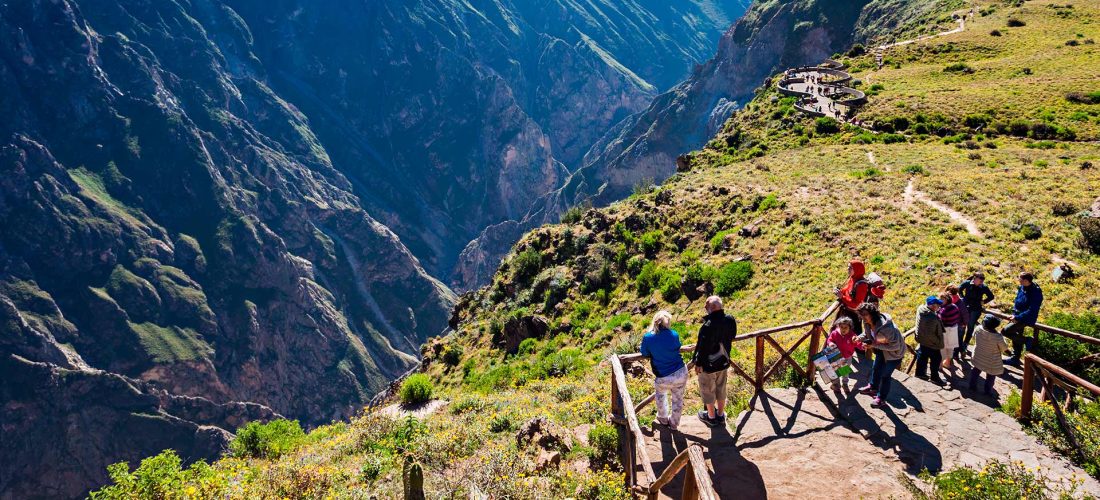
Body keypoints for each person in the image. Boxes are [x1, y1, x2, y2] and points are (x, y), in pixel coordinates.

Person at [692, 296, 737, 427]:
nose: (705, 309)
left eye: (706, 307)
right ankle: (721, 415)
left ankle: (711, 417)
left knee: (707, 390)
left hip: (708, 365)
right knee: (721, 388)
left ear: (710, 309)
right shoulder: (729, 320)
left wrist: (698, 363)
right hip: (723, 361)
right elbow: (732, 335)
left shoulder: (707, 326)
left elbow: (702, 347)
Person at [640, 310, 688, 431]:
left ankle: (663, 418)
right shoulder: (674, 334)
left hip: (663, 375)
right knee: (678, 399)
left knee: (660, 395)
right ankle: (674, 423)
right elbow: (677, 347)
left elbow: (644, 353)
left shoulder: (648, 337)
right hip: (680, 371)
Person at [856, 303, 906, 408]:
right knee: (876, 368)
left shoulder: (886, 328)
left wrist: (873, 345)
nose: (862, 317)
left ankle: (881, 399)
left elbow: (895, 347)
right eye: (861, 314)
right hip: (881, 350)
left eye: (865, 314)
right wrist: (859, 338)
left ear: (872, 314)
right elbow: (867, 333)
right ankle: (873, 388)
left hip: (894, 355)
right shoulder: (868, 322)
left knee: (885, 375)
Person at [1004, 272, 1043, 364]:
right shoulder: (1022, 287)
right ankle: (1015, 358)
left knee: (1005, 331)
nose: (1018, 280)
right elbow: (1018, 300)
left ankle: (1027, 340)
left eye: (1020, 279)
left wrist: (1018, 317)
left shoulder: (1035, 292)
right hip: (1017, 315)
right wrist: (1014, 313)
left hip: (1026, 318)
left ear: (1026, 281)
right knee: (1016, 336)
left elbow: (1032, 309)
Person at [970, 315, 1009, 395]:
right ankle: (987, 391)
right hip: (991, 361)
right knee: (991, 376)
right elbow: (1004, 348)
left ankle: (972, 386)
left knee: (975, 371)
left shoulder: (978, 329)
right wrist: (1010, 353)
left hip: (978, 356)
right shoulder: (998, 337)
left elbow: (973, 337)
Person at [959, 273, 995, 358]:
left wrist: (983, 302)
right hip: (965, 307)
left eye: (983, 279)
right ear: (975, 278)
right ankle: (960, 344)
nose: (982, 281)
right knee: (962, 325)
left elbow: (991, 296)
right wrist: (962, 297)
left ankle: (965, 343)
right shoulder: (967, 283)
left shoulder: (984, 287)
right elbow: (960, 289)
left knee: (970, 326)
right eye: (980, 279)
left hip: (976, 309)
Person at [826, 317, 865, 391]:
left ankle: (845, 384)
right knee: (835, 370)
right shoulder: (835, 333)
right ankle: (836, 384)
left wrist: (862, 347)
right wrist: (830, 343)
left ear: (850, 328)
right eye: (841, 327)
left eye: (846, 327)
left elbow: (858, 343)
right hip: (836, 356)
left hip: (847, 357)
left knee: (845, 372)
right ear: (838, 326)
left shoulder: (852, 336)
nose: (843, 329)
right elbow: (830, 339)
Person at [914, 296, 946, 385]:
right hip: (932, 343)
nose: (939, 307)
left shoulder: (920, 309)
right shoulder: (932, 318)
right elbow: (932, 334)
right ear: (932, 306)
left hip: (922, 340)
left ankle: (920, 374)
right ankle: (935, 378)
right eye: (938, 305)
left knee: (922, 356)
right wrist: (937, 342)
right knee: (936, 359)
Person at [835, 260, 871, 335]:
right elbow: (847, 289)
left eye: (850, 268)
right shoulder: (853, 278)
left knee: (852, 335)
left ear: (856, 269)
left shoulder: (861, 285)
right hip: (847, 312)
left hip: (853, 315)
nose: (848, 269)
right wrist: (840, 291)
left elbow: (856, 304)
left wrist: (842, 297)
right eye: (848, 267)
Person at [938, 291, 962, 371]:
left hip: (945, 330)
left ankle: (940, 364)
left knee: (942, 347)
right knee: (951, 346)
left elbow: (941, 321)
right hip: (954, 328)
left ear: (946, 299)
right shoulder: (954, 306)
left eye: (942, 299)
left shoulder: (944, 310)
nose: (940, 301)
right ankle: (947, 363)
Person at [947, 285, 970, 361]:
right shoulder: (960, 301)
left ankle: (956, 354)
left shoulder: (950, 301)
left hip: (955, 324)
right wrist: (965, 323)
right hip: (960, 324)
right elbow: (965, 314)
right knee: (959, 340)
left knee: (955, 341)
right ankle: (959, 353)